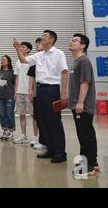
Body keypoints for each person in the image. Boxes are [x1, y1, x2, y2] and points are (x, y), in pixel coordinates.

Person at [13, 30, 68, 163]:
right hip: (41, 90)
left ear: (52, 39)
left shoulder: (59, 53)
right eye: (42, 35)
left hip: (53, 90)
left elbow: (64, 72)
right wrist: (17, 49)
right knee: (43, 121)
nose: (42, 38)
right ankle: (49, 148)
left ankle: (60, 152)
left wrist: (64, 92)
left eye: (45, 36)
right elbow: (24, 60)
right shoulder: (39, 55)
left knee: (54, 121)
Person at [69, 34, 100, 177]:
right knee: (82, 134)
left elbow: (85, 82)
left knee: (86, 135)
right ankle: (86, 161)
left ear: (83, 45)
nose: (71, 42)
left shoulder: (84, 61)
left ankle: (92, 165)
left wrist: (80, 102)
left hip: (83, 106)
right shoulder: (76, 62)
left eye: (75, 40)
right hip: (77, 105)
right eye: (72, 39)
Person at [13, 42, 38, 144]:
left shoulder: (31, 60)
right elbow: (17, 78)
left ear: (28, 50)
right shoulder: (18, 62)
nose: (21, 48)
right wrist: (16, 91)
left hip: (29, 92)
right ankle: (23, 135)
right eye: (21, 47)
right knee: (22, 114)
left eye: (23, 47)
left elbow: (33, 77)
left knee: (34, 115)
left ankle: (35, 137)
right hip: (20, 92)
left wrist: (31, 90)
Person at [27, 38, 47, 150]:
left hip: (47, 91)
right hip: (36, 92)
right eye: (37, 44)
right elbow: (31, 77)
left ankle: (44, 139)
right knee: (36, 117)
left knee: (45, 117)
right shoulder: (35, 60)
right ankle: (36, 137)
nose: (37, 45)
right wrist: (30, 90)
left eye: (39, 43)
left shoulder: (49, 57)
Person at [0, 55, 16, 141]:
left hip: (10, 96)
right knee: (2, 113)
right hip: (0, 96)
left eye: (4, 59)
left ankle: (11, 131)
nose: (2, 61)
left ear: (8, 62)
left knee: (9, 113)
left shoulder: (12, 72)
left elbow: (15, 85)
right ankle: (5, 130)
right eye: (1, 59)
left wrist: (15, 94)